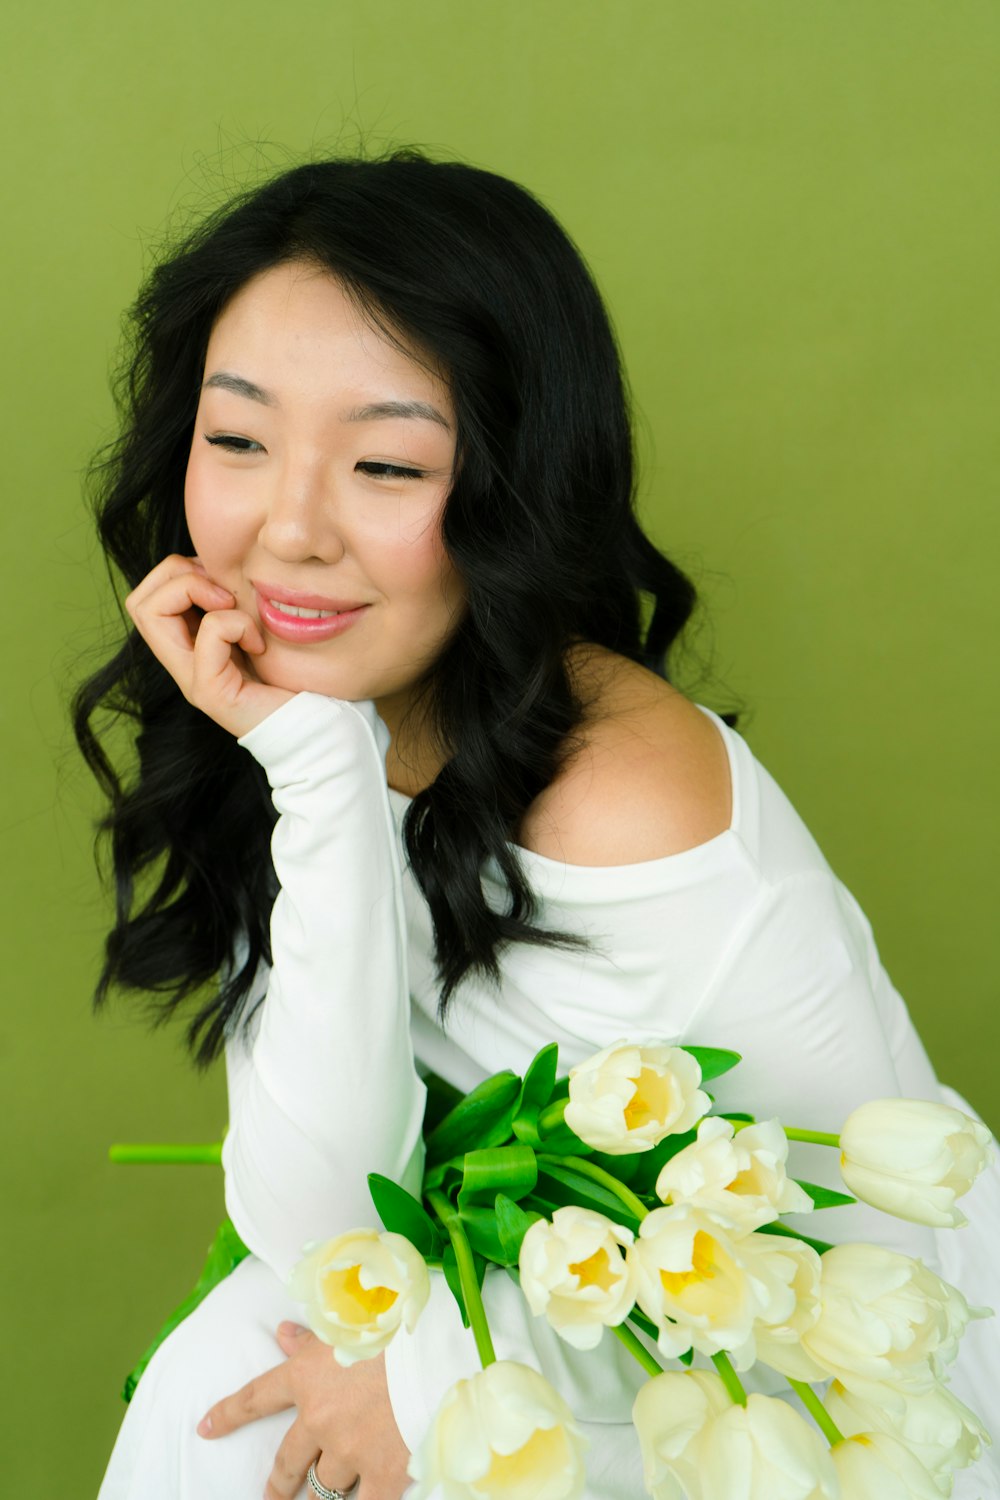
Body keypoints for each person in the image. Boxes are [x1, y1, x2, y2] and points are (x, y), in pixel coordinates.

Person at [75, 148, 1000, 1500]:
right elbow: (315, 1225)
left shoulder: (629, 795)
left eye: (387, 463)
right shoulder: (299, 708)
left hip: (801, 1373)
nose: (289, 529)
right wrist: (315, 771)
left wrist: (430, 1379)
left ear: (513, 487)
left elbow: (855, 1256)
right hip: (523, 1315)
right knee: (229, 1387)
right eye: (237, 439)